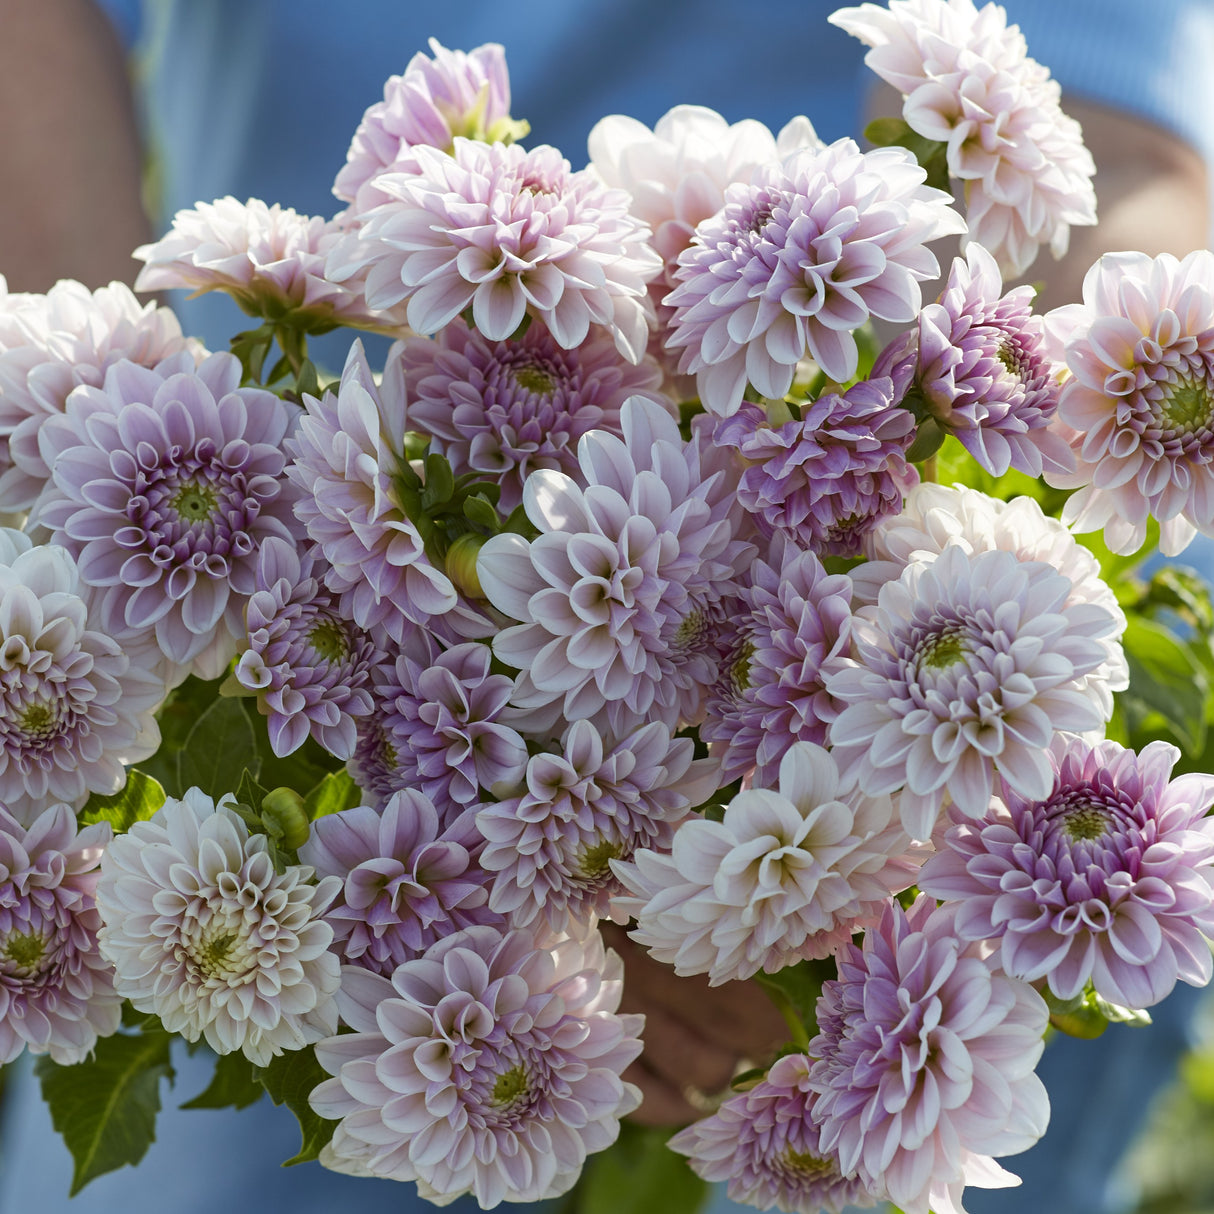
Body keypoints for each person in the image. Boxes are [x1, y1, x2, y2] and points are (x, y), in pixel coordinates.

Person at [1, 2, 1213, 1212]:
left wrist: (806, 926)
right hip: (299, 497)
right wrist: (102, 408)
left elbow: (1114, 142)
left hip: (823, 516)